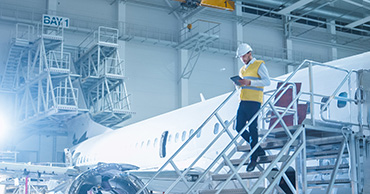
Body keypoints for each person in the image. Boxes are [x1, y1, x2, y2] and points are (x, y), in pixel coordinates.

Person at [234, 43, 271, 172]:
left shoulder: (259, 64)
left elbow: (267, 81)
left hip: (254, 101)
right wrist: (238, 84)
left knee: (252, 129)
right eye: (241, 57)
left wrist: (250, 82)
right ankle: (258, 149)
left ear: (250, 53)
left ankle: (253, 158)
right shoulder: (242, 69)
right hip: (243, 100)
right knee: (238, 127)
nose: (243, 59)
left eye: (244, 56)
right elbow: (242, 85)